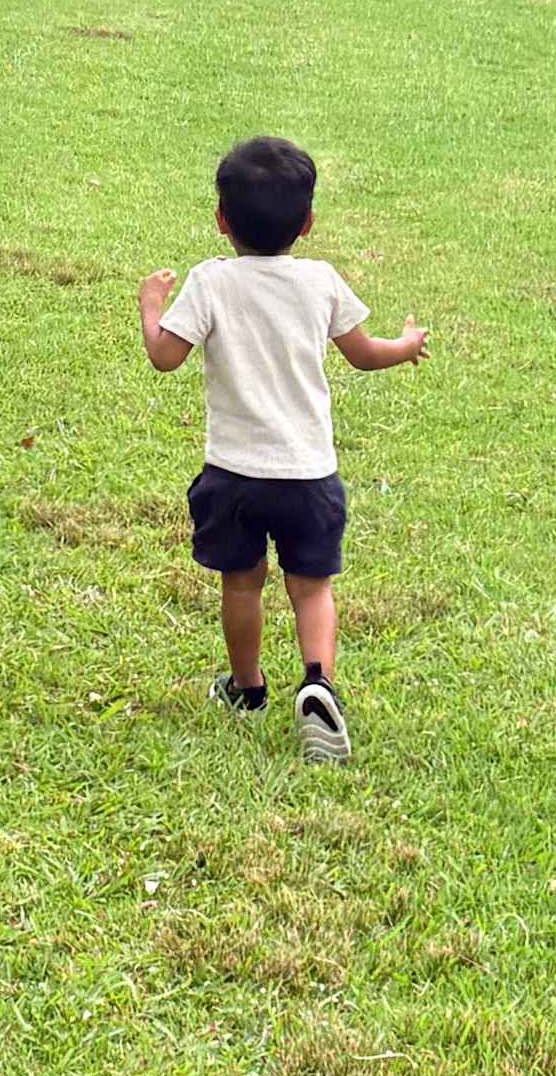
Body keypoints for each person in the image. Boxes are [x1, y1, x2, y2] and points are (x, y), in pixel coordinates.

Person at [139, 132, 428, 763]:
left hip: (233, 476)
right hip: (308, 475)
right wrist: (405, 346)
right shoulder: (320, 281)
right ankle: (318, 682)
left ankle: (246, 688)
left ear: (220, 221)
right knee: (312, 587)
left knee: (241, 586)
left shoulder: (210, 285)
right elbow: (364, 355)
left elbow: (164, 357)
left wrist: (151, 305)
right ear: (307, 223)